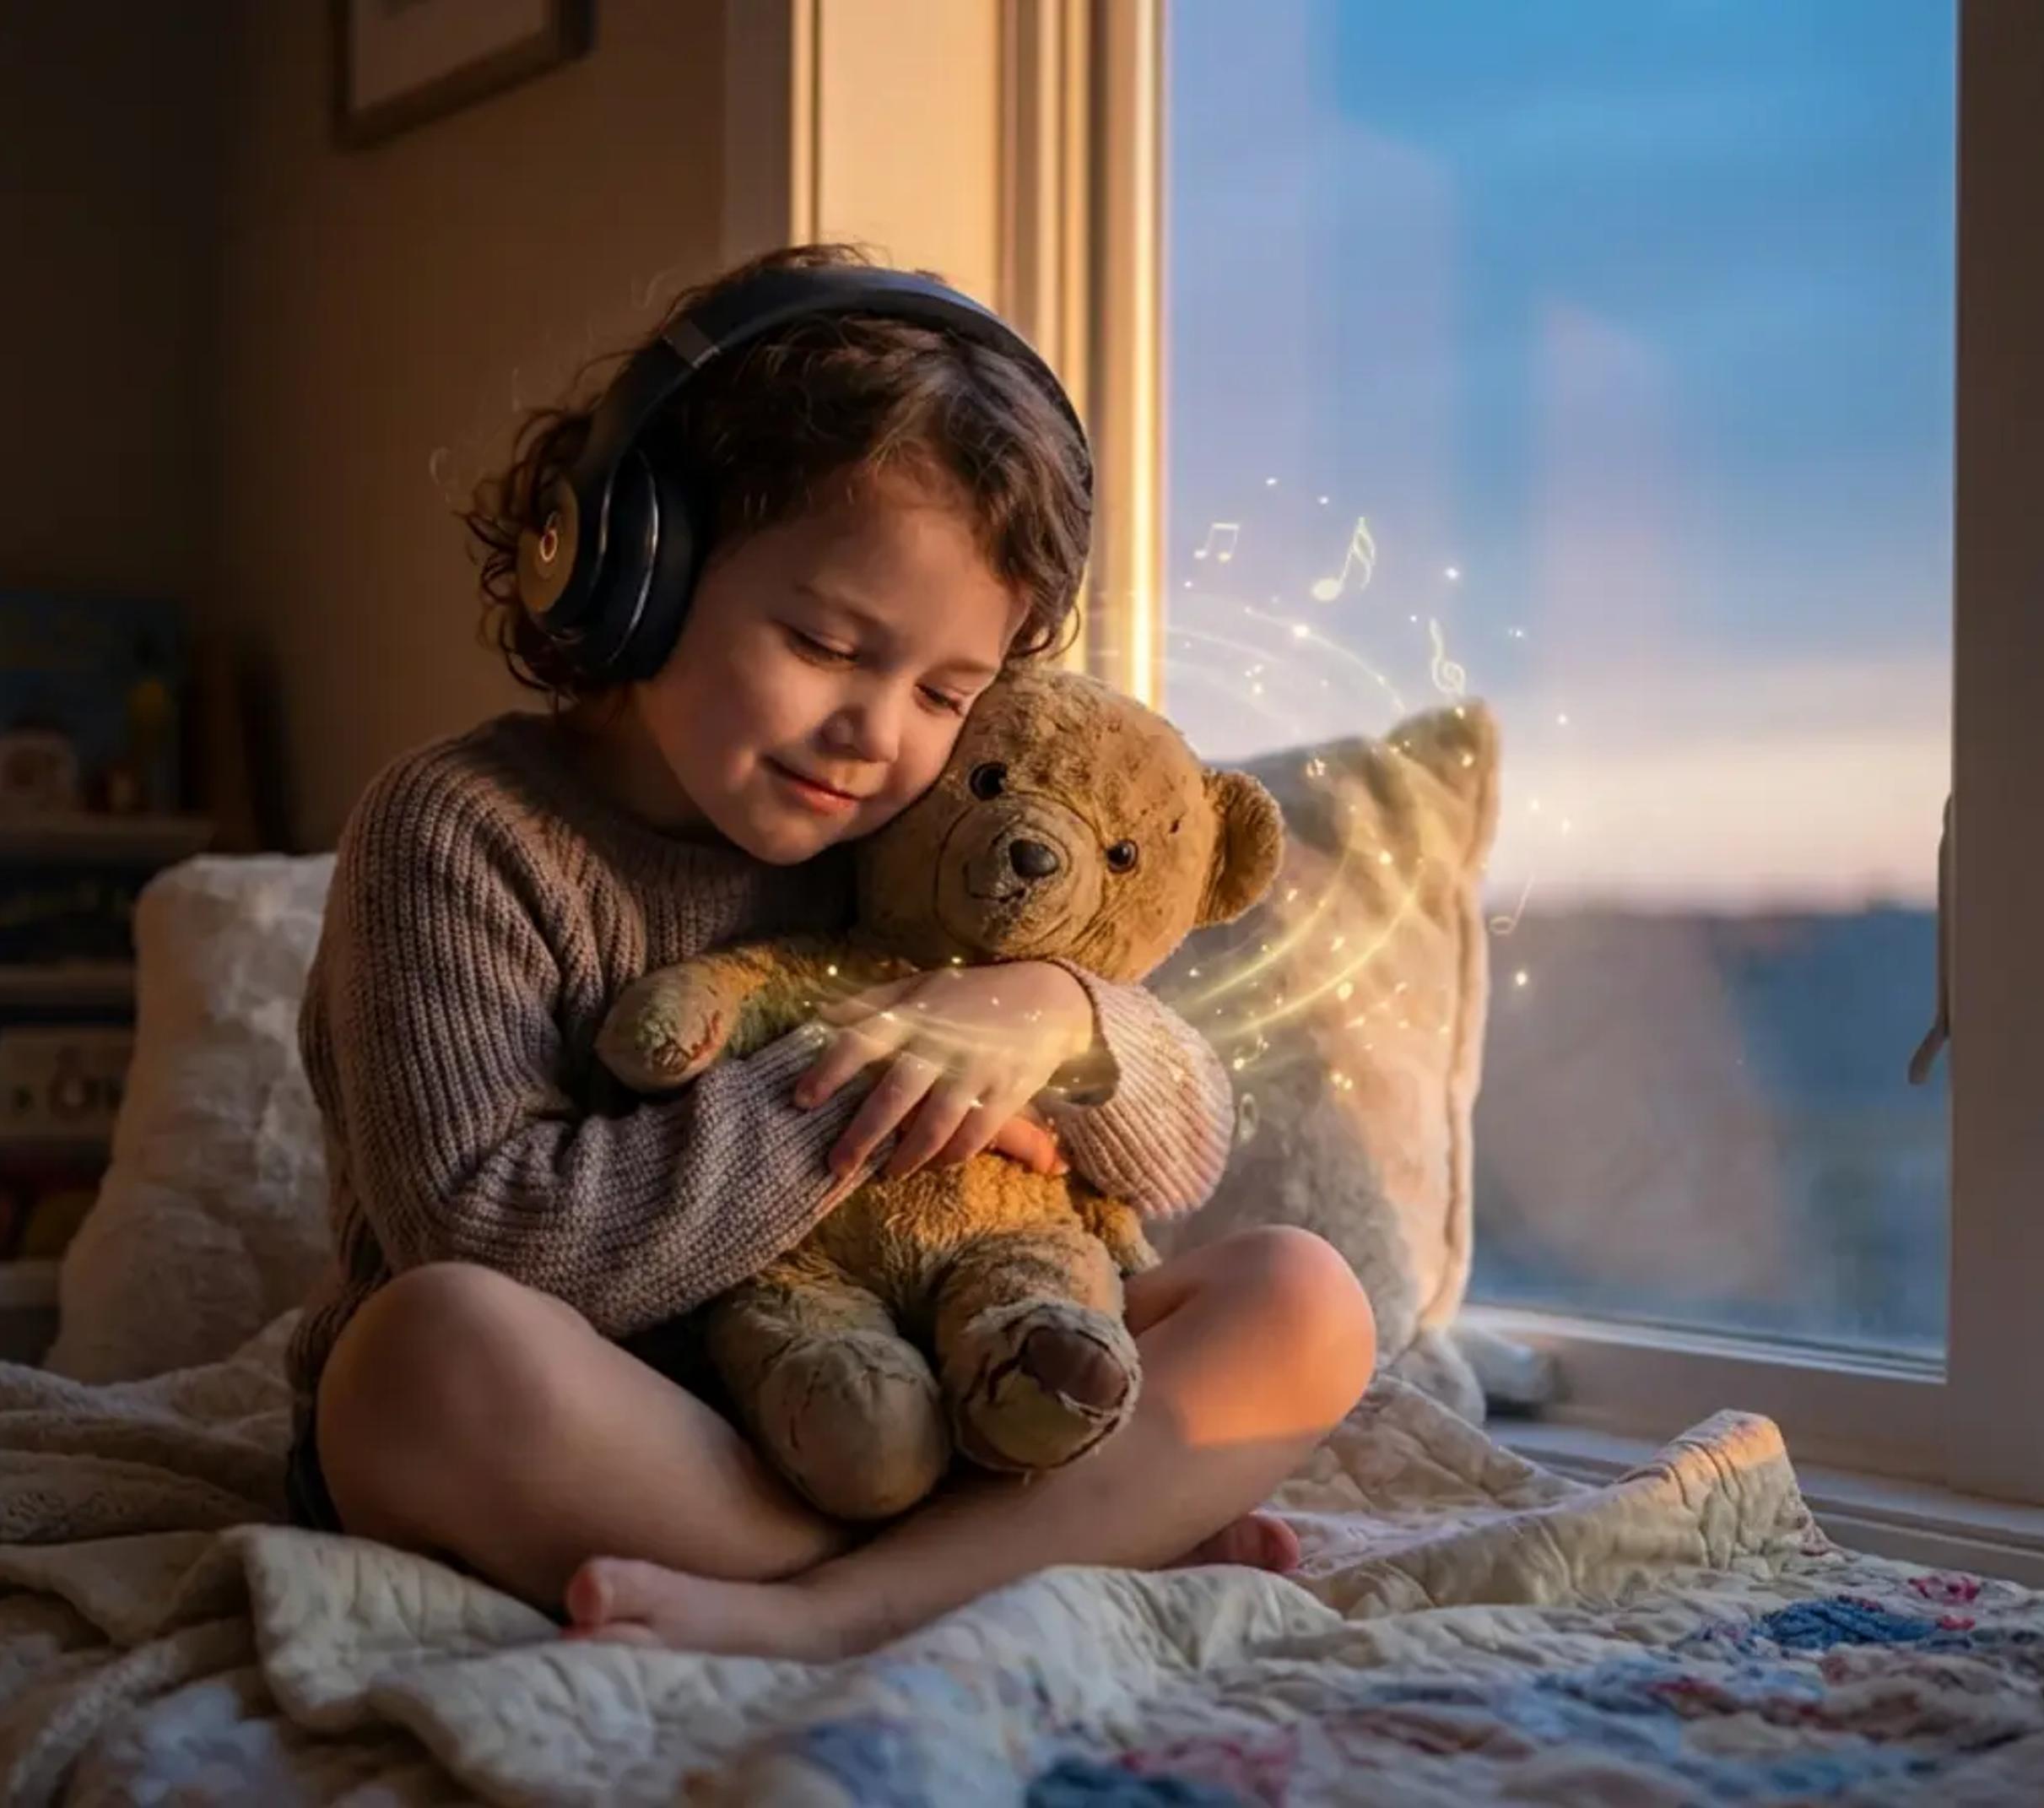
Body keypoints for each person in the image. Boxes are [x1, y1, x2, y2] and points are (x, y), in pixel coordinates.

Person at [288, 244, 1376, 1659]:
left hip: (929, 1384)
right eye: (822, 640)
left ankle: (842, 1606)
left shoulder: (915, 819)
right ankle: (1036, 1553)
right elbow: (487, 1230)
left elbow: (1182, 1149)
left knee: (1303, 1299)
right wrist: (863, 1082)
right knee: (416, 1361)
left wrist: (1053, 1012)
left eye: (944, 689)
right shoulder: (458, 828)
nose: (878, 732)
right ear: (638, 563)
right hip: (626, 1434)